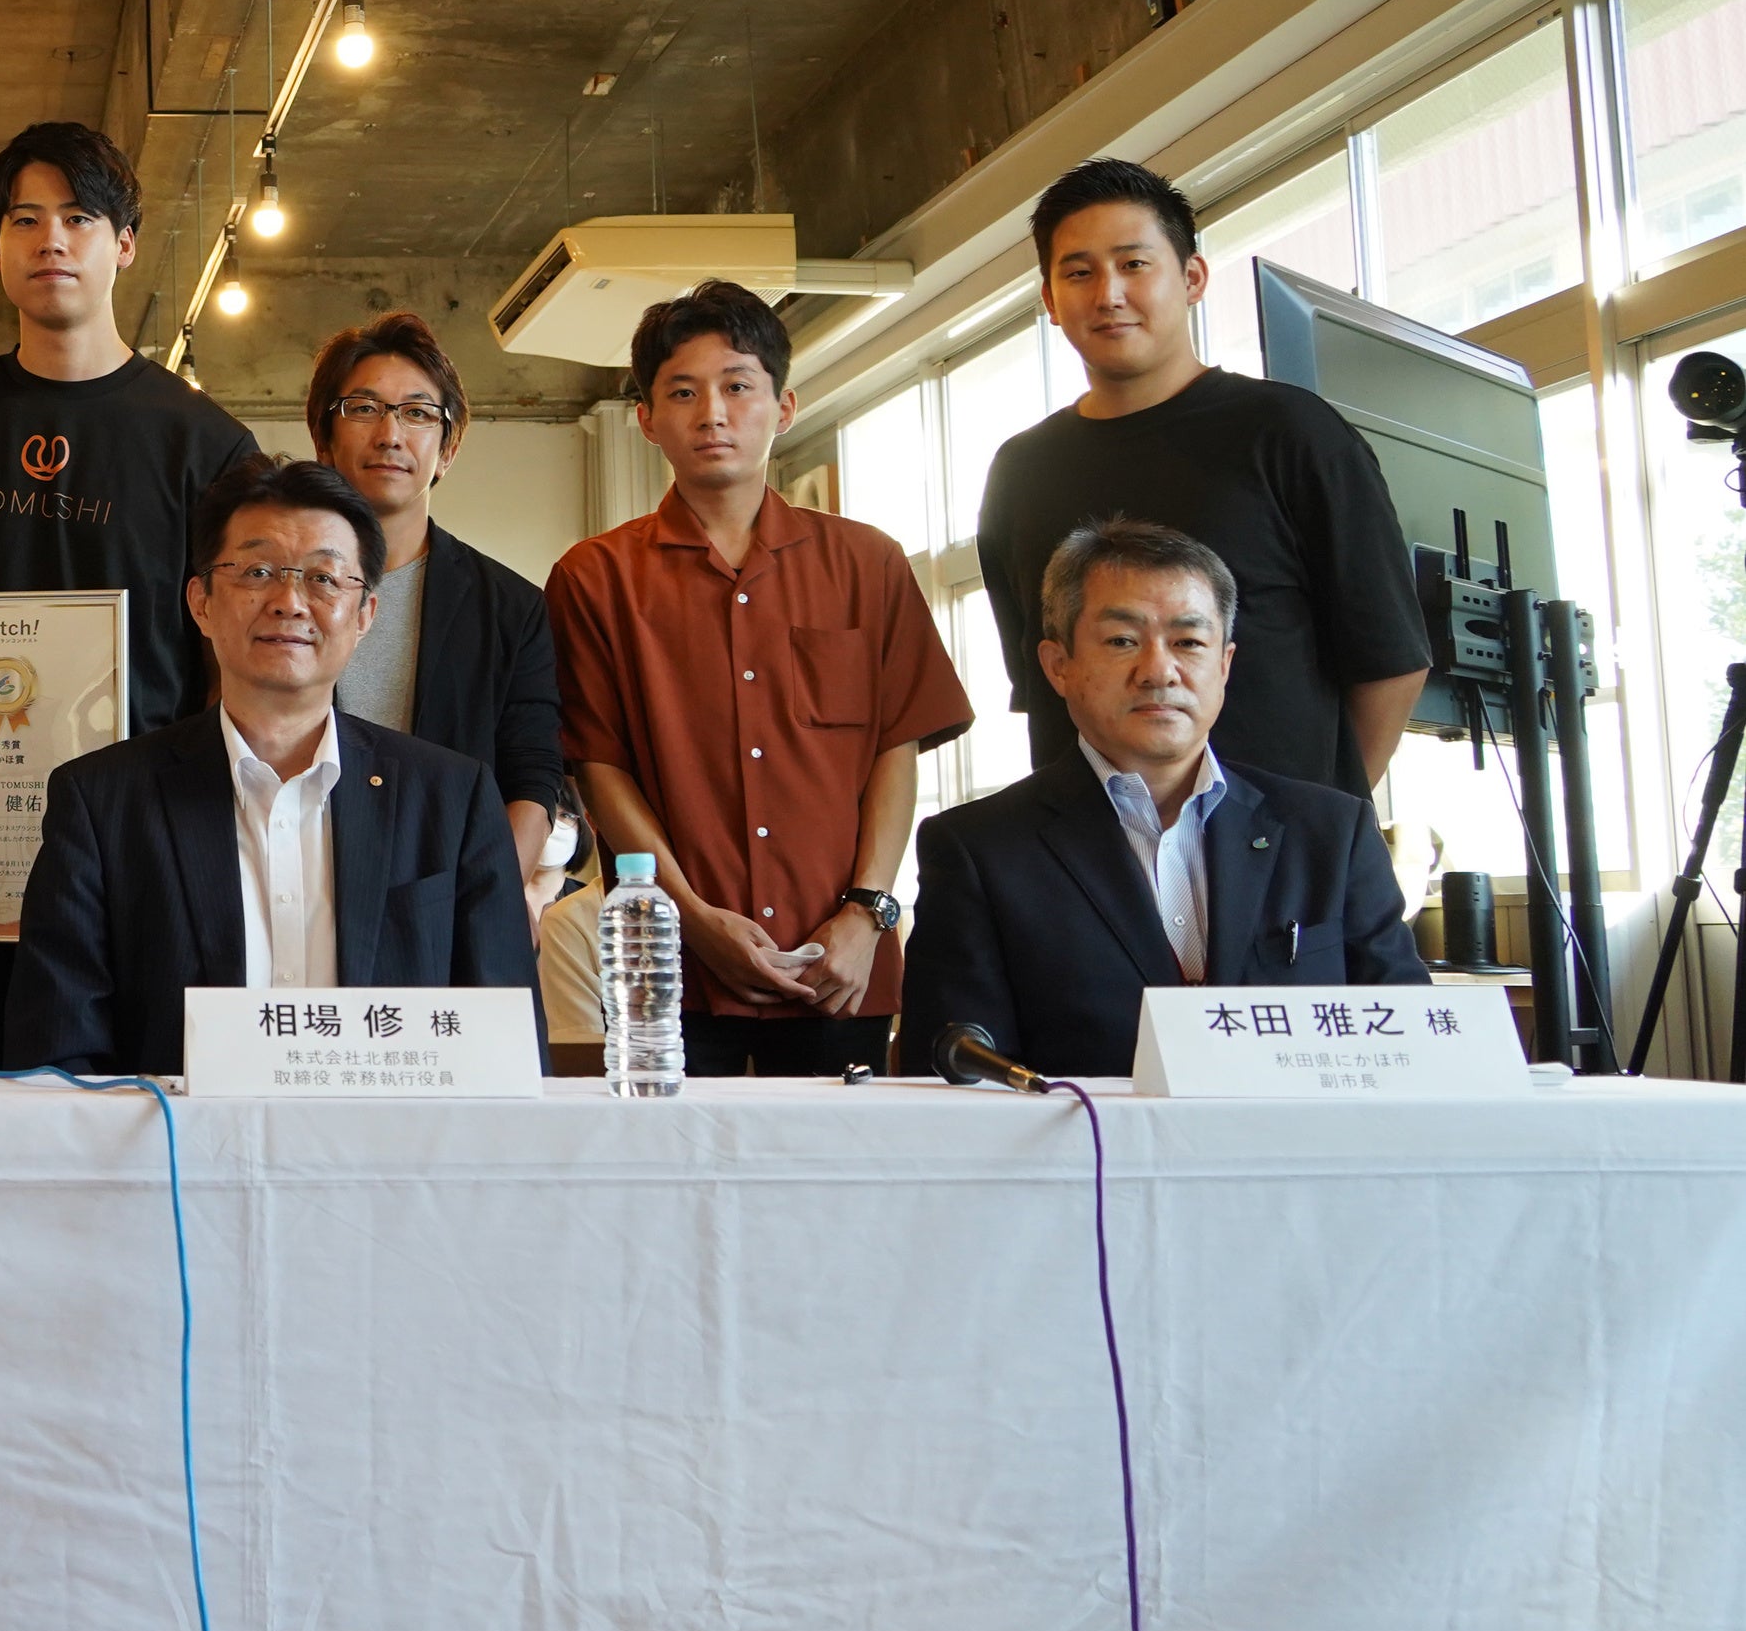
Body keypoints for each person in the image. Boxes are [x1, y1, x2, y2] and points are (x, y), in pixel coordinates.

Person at [0, 121, 261, 1066]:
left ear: (125, 244)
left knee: (127, 1111)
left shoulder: (206, 445)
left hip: (137, 852)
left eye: (79, 218)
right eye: (25, 220)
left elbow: (225, 670)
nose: (51, 241)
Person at [550, 282, 970, 1077]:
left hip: (838, 966)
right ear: (647, 419)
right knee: (672, 1156)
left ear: (783, 407)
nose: (713, 414)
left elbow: (896, 747)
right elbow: (598, 767)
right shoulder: (596, 579)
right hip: (671, 969)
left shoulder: (868, 564)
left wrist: (867, 912)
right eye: (683, 392)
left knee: (838, 1157)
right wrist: (691, 919)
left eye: (738, 387)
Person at [8, 454, 531, 1078]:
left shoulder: (453, 797)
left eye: (324, 578)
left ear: (365, 615)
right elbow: (60, 1059)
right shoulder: (101, 801)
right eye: (258, 571)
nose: (289, 602)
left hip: (389, 1141)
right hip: (176, 1140)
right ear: (201, 602)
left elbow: (507, 1051)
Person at [903, 517, 1427, 1077]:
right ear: (1059, 667)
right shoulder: (978, 850)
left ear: (1223, 665)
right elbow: (957, 1079)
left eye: (1189, 642)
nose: (1159, 671)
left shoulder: (1332, 832)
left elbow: (1416, 1047)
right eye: (1122, 641)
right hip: (1091, 1134)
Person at [980, 158, 1431, 798]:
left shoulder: (1290, 433)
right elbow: (1041, 680)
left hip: (1275, 849)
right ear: (1051, 301)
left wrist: (1321, 826)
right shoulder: (1021, 471)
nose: (1108, 294)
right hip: (1089, 850)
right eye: (1079, 273)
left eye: (1134, 264)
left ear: (1192, 278)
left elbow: (1390, 660)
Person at [306, 312, 564, 874]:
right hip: (293, 877)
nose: (390, 434)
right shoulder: (277, 589)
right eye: (364, 408)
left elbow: (532, 774)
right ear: (323, 440)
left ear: (447, 450)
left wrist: (490, 896)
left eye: (418, 413)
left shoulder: (509, 608)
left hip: (446, 889)